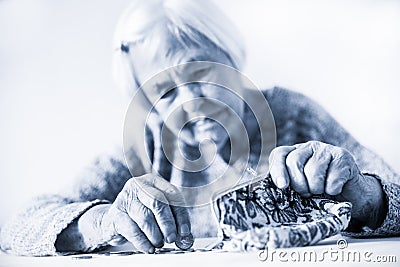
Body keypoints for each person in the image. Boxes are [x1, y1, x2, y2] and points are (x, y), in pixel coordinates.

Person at [1, 0, 399, 256]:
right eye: (165, 93)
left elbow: (394, 195)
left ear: (235, 61)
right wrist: (102, 221)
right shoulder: (145, 151)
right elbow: (17, 227)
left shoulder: (291, 114)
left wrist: (364, 194)